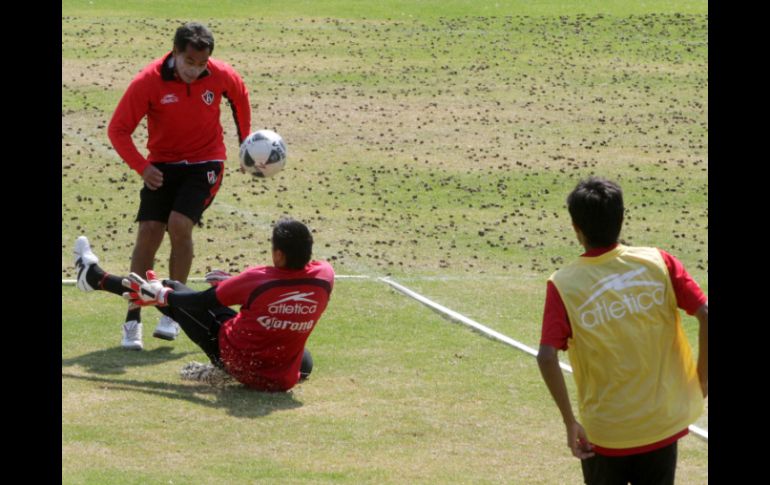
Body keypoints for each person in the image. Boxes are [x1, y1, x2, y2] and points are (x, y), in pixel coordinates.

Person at [536, 177, 708, 485]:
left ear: (577, 228)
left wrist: (569, 422)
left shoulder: (563, 284)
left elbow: (547, 356)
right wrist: (701, 380)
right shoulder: (659, 262)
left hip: (605, 433)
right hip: (662, 423)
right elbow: (706, 314)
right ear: (621, 217)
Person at [107, 21, 252, 351]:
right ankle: (132, 318)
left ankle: (174, 311)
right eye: (189, 63)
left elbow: (240, 96)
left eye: (202, 64)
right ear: (175, 53)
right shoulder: (148, 82)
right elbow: (118, 129)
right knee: (148, 232)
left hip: (206, 163)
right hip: (162, 165)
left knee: (179, 224)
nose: (195, 71)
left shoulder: (220, 74)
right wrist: (143, 167)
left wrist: (245, 145)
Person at [73, 219, 334, 391]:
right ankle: (111, 282)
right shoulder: (324, 276)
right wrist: (234, 284)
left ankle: (95, 278)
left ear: (278, 254)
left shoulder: (258, 279)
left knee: (171, 289)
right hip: (281, 377)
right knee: (305, 360)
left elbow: (201, 302)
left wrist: (164, 296)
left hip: (233, 357)